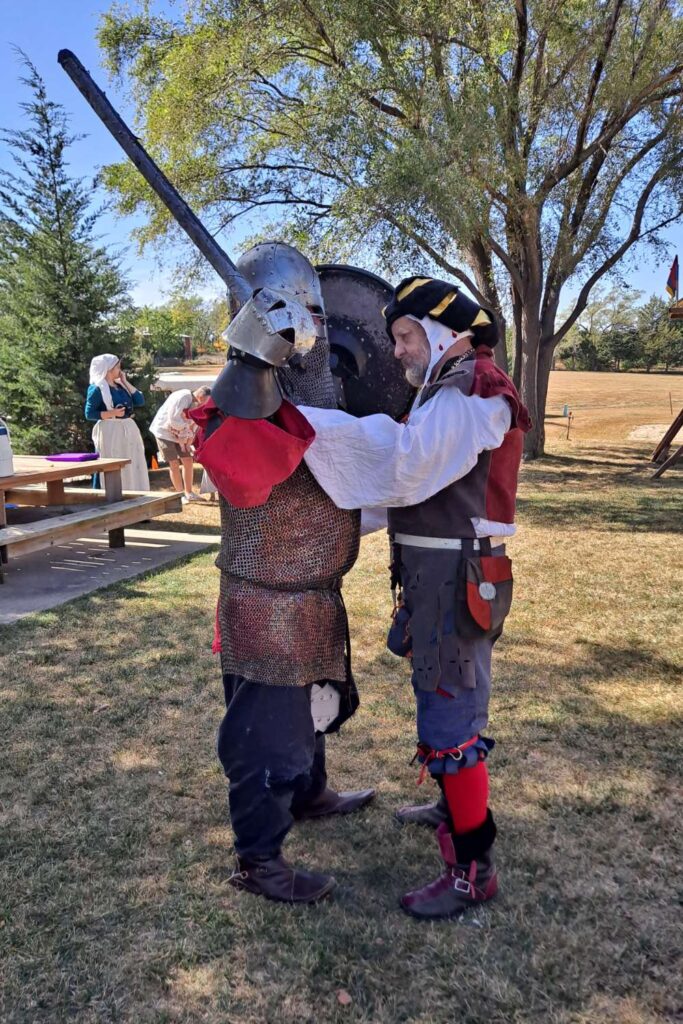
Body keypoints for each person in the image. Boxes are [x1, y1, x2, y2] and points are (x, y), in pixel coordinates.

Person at [298, 275, 530, 920]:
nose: (395, 349)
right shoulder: (446, 391)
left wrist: (313, 426)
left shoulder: (470, 391)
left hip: (454, 583)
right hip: (440, 580)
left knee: (451, 719)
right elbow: (406, 483)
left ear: (439, 332)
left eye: (403, 336)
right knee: (444, 703)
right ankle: (455, 805)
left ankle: (471, 869)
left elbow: (404, 466)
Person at [193, 243, 375, 906]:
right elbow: (244, 473)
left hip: (313, 595)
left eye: (320, 317)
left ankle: (311, 794)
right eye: (305, 317)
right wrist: (258, 354)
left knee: (308, 714)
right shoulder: (243, 401)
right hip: (265, 601)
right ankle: (259, 861)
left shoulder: (317, 387)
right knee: (265, 736)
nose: (317, 331)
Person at [85, 354, 150, 491]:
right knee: (111, 459)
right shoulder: (97, 388)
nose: (120, 370)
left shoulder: (121, 386)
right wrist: (112, 413)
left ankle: (132, 489)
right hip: (110, 430)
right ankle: (108, 491)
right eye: (117, 367)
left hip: (127, 428)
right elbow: (89, 414)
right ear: (108, 369)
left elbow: (140, 401)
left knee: (130, 459)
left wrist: (125, 381)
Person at [149, 386, 211, 504]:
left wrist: (188, 434)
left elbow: (194, 422)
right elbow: (172, 419)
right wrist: (186, 429)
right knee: (174, 463)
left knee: (187, 460)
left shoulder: (194, 402)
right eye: (205, 401)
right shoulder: (183, 397)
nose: (204, 404)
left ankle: (189, 492)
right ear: (200, 396)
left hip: (181, 434)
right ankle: (180, 494)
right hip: (164, 432)